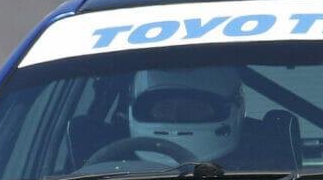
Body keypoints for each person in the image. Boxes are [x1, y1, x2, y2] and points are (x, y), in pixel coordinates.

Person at [123, 66, 296, 171]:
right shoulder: (109, 169)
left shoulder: (265, 167)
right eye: (164, 108)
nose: (176, 116)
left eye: (192, 108)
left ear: (230, 110)